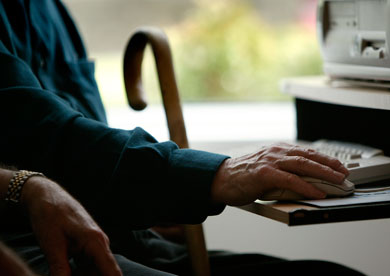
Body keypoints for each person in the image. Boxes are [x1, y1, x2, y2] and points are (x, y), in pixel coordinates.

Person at [0, 0, 365, 275]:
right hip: (31, 244)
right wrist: (214, 173)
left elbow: (74, 154)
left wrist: (137, 203)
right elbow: (42, 136)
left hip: (122, 237)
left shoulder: (51, 10)